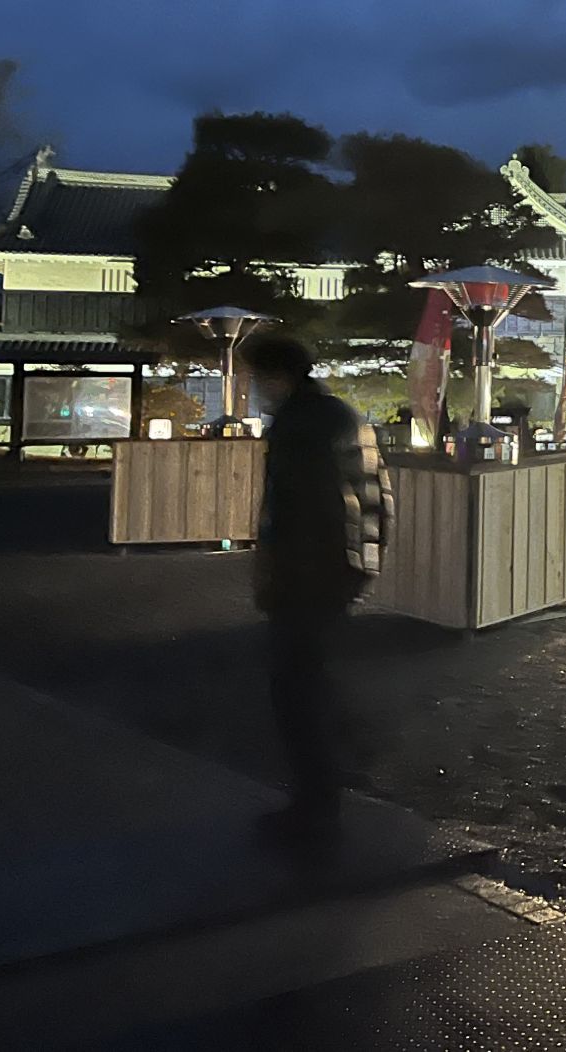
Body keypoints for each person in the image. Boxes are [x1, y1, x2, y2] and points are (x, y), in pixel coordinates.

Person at [243, 333, 392, 846]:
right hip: (341, 571)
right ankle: (324, 796)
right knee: (315, 684)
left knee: (297, 692)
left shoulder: (296, 426)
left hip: (307, 575)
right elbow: (376, 494)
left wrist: (273, 574)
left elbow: (291, 511)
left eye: (257, 378)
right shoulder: (344, 415)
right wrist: (361, 566)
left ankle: (315, 810)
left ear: (276, 377)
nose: (256, 389)